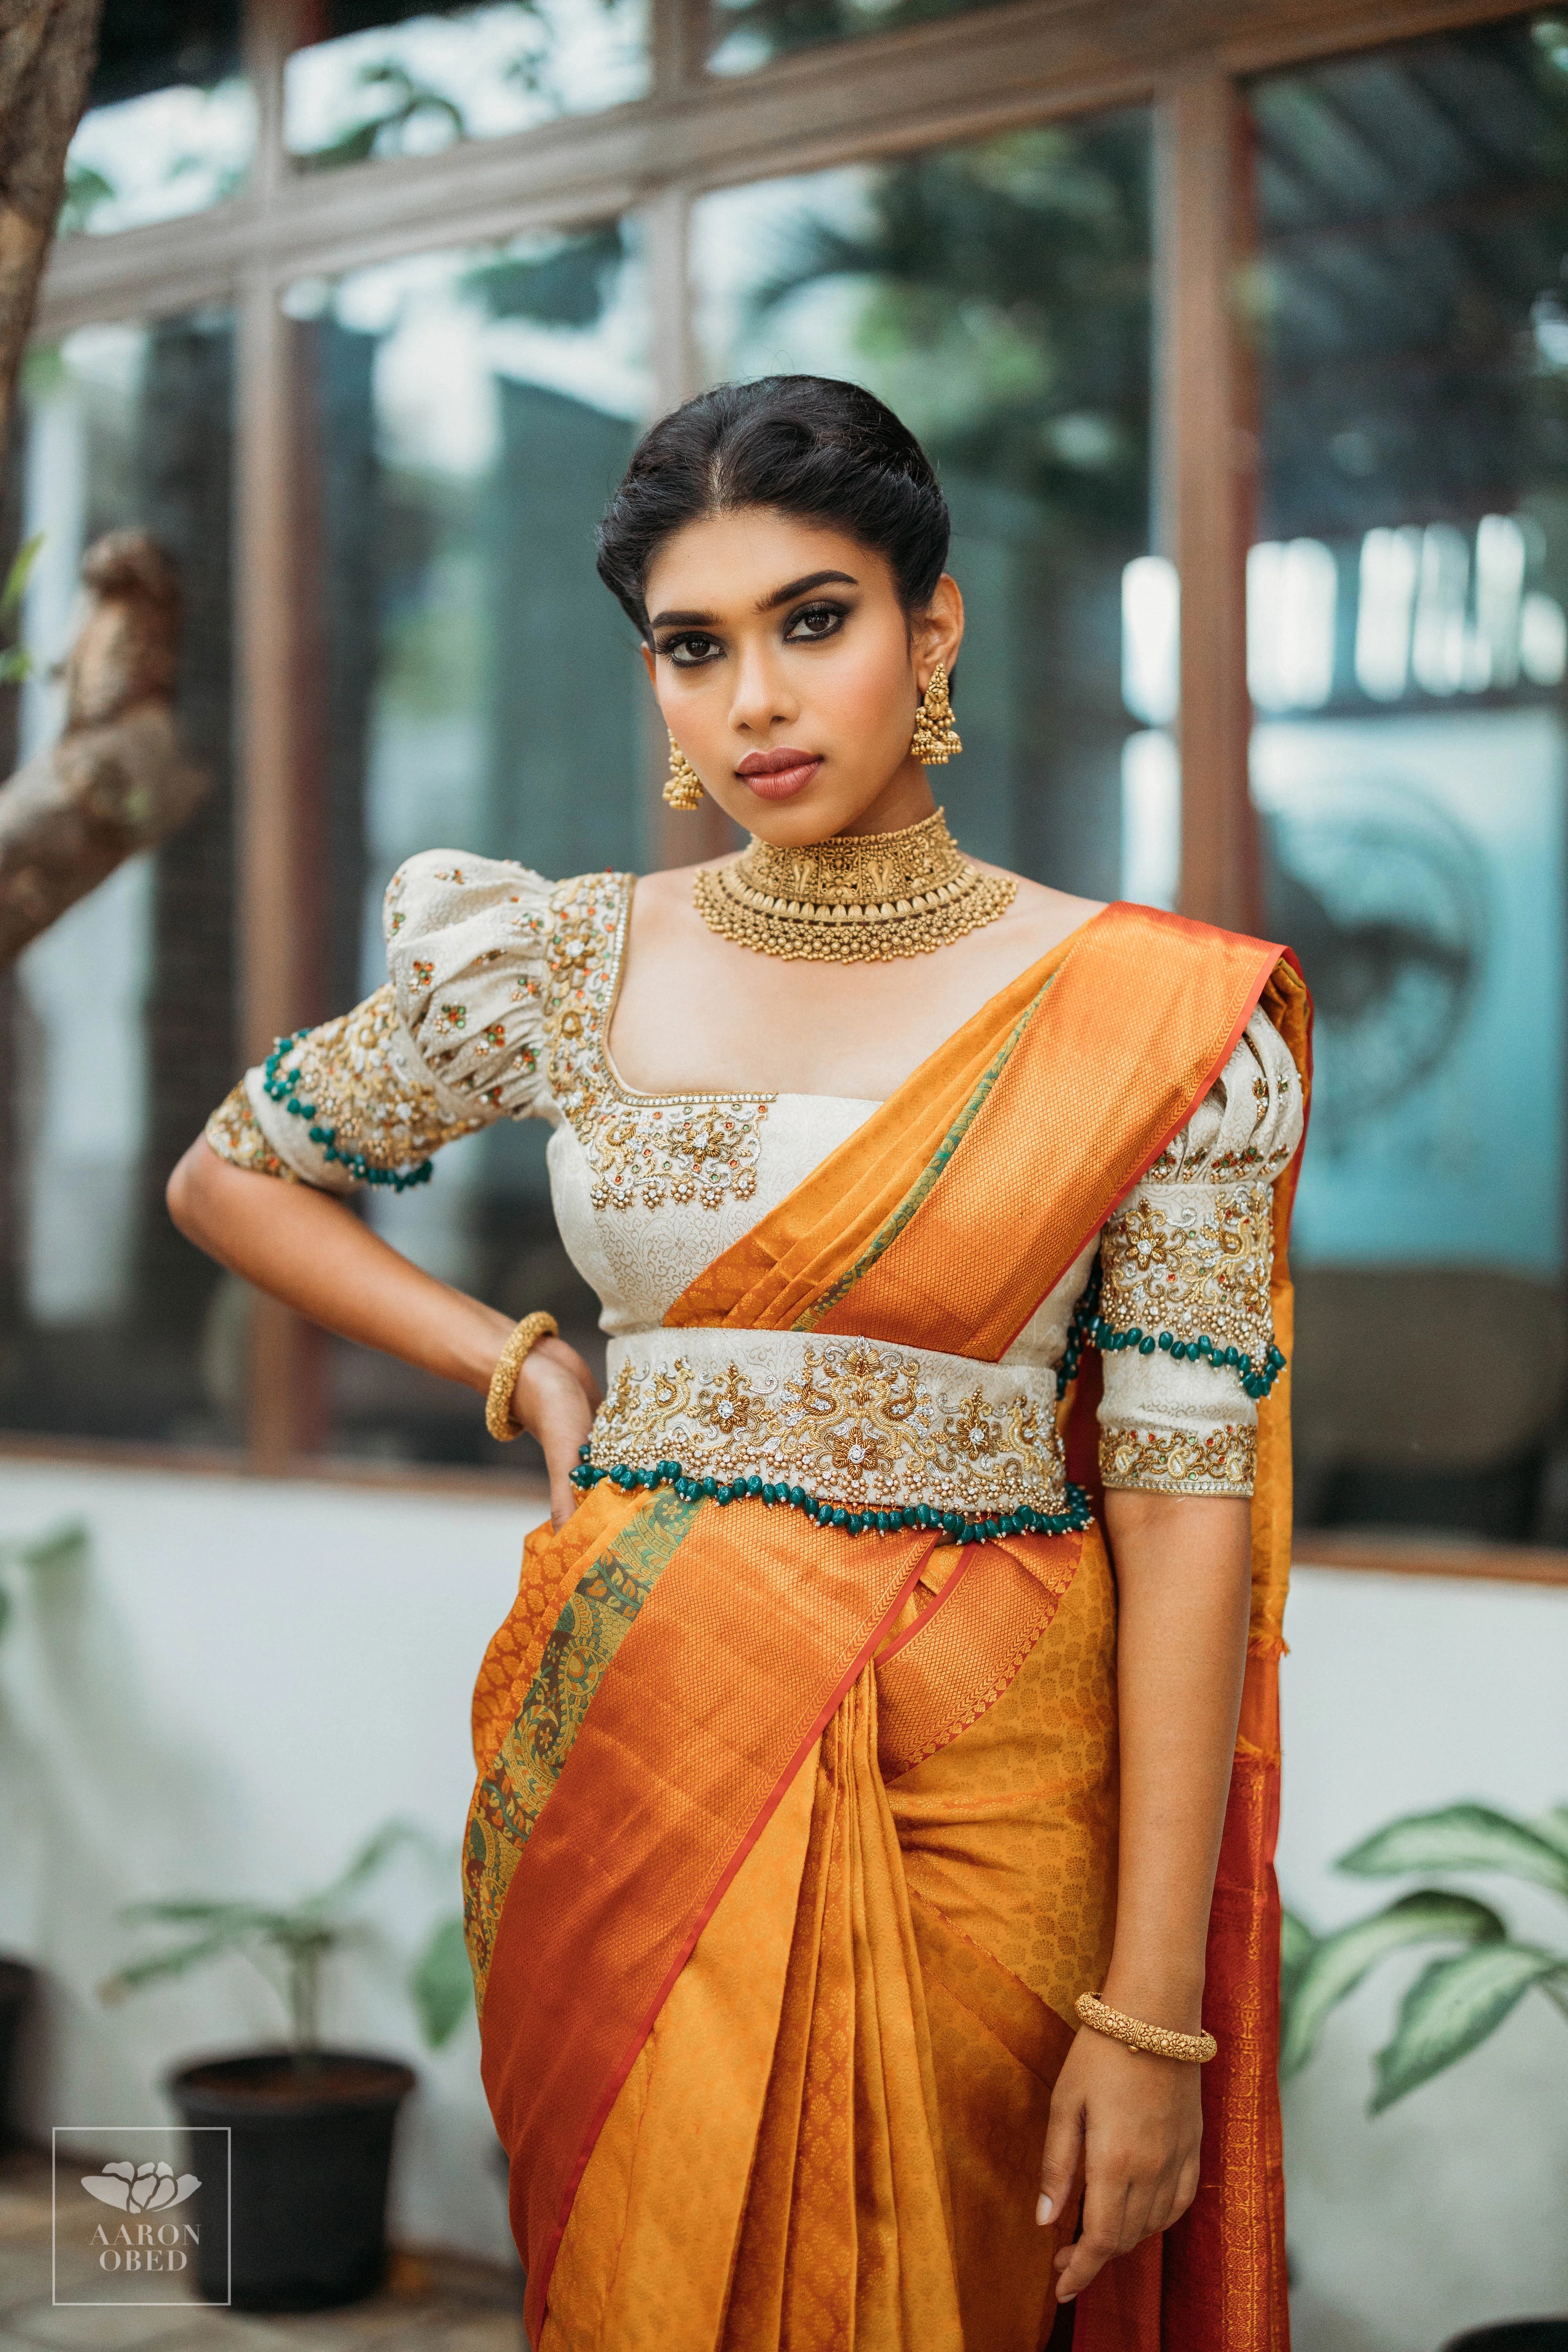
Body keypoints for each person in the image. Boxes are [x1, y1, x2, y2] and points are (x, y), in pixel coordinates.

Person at [169, 373, 1309, 2352]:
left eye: (815, 619)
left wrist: (1150, 2013)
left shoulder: (1150, 1021)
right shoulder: (567, 957)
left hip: (992, 1775)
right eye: (694, 648)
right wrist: (521, 1363)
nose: (756, 700)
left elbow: (1187, 1517)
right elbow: (235, 1172)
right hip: (635, 1724)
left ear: (931, 627)